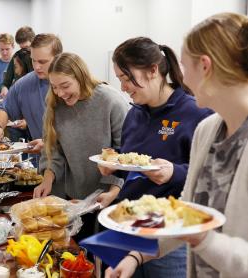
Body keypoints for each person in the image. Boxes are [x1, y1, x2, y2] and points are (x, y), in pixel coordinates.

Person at [105, 13, 248, 278]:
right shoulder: (209, 130)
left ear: (205, 66)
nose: (183, 79)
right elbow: (184, 209)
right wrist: (137, 255)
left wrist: (202, 239)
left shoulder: (197, 117)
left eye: (183, 66)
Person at [98, 37, 212, 278]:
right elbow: (134, 165)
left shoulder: (196, 113)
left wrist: (175, 172)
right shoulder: (134, 114)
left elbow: (210, 176)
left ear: (153, 71)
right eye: (120, 79)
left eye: (127, 78)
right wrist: (114, 166)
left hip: (170, 237)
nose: (123, 87)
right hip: (128, 228)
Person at [33, 53, 128, 243]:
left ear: (81, 76)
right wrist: (48, 178)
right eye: (54, 87)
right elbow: (53, 147)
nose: (60, 93)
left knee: (103, 261)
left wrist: (113, 190)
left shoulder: (111, 101)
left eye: (65, 86)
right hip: (74, 198)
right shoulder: (56, 104)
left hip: (110, 198)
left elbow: (124, 151)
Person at [0, 33, 63, 155]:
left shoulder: (71, 83)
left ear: (58, 58)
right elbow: (5, 108)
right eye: (33, 60)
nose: (37, 67)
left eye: (43, 62)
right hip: (42, 158)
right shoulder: (24, 84)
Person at [0, 26, 36, 97]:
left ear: (33, 41)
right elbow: (5, 83)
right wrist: (4, 88)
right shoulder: (17, 56)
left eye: (26, 48)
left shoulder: (39, 57)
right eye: (21, 48)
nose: (24, 51)